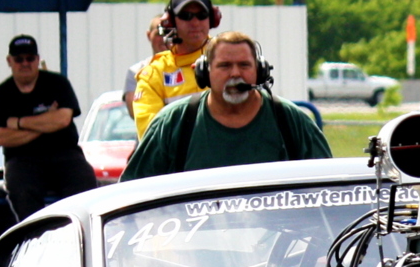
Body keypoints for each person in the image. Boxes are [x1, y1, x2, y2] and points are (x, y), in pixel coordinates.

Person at [123, 31, 331, 180]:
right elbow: (133, 193)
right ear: (203, 72)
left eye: (244, 65)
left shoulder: (292, 121)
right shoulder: (171, 123)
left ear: (260, 71)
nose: (235, 74)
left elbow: (330, 191)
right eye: (224, 66)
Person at [0, 35, 94, 220]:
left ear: (37, 59)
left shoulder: (58, 83)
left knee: (85, 183)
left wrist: (19, 123)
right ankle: (35, 240)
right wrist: (46, 123)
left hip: (65, 154)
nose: (25, 63)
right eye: (19, 59)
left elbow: (62, 120)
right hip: (22, 160)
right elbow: (1, 138)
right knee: (20, 190)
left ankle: (80, 237)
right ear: (9, 61)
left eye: (30, 58)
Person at [134, 0, 222, 138]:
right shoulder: (154, 74)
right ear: (170, 22)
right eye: (186, 15)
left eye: (202, 15)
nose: (195, 22)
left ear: (212, 19)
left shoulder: (232, 60)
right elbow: (151, 136)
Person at [123, 16, 168, 111]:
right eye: (159, 33)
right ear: (148, 35)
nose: (164, 38)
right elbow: (134, 111)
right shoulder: (135, 72)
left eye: (168, 32)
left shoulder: (187, 67)